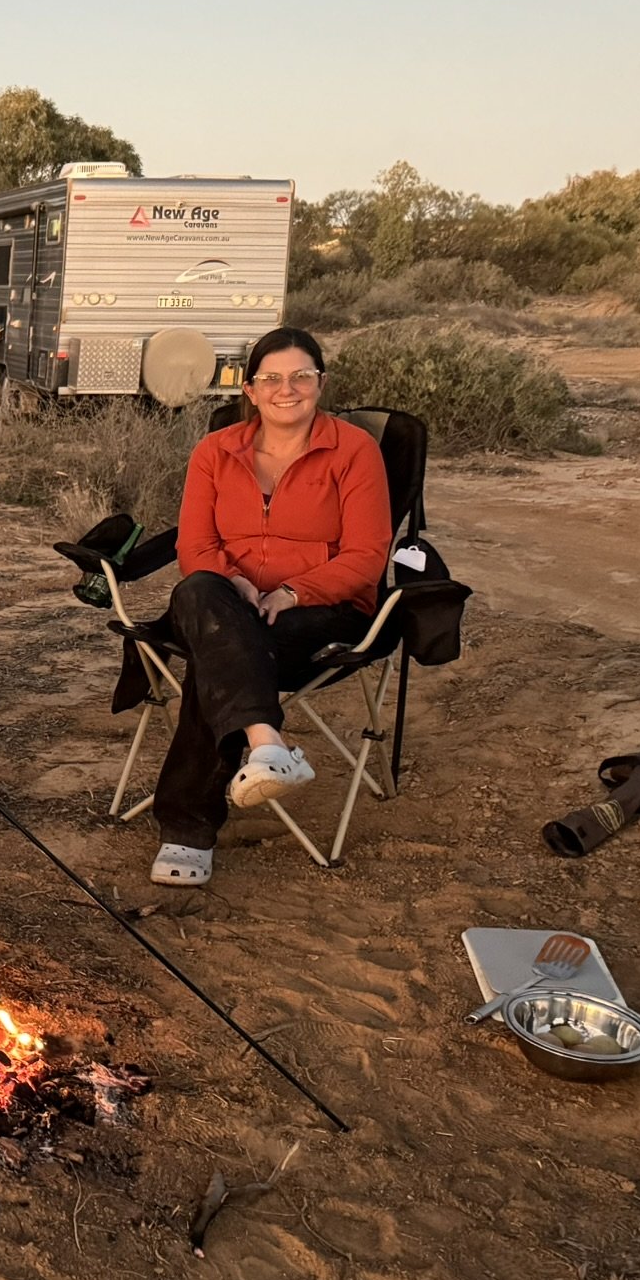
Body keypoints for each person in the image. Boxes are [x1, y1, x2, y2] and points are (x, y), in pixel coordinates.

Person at [149, 328, 393, 887]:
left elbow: (367, 556)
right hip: (224, 603)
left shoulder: (354, 451)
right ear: (251, 391)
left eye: (302, 376)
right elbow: (194, 548)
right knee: (200, 594)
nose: (288, 389)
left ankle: (187, 830)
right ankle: (268, 744)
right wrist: (235, 582)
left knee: (218, 655)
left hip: (321, 613)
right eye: (272, 379)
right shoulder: (215, 451)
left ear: (321, 384)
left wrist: (292, 591)